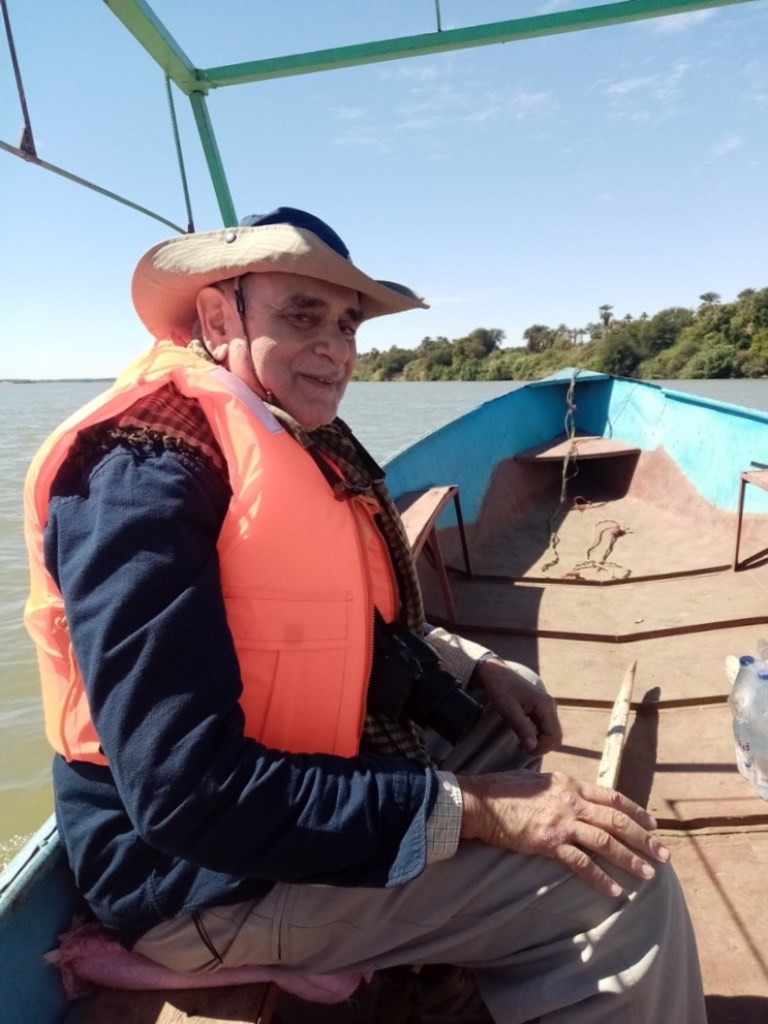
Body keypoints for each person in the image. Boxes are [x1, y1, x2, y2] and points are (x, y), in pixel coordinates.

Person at [24, 207, 706, 1023]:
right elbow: (186, 793)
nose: (337, 350)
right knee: (622, 887)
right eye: (302, 316)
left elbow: (321, 624)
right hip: (193, 881)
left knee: (517, 733)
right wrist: (477, 809)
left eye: (347, 325)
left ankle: (465, 956)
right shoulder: (138, 476)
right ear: (216, 317)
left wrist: (471, 667)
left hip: (279, 802)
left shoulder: (291, 437)